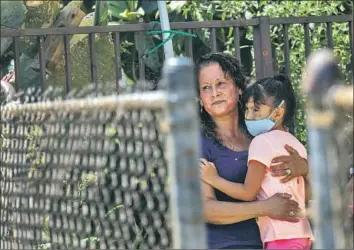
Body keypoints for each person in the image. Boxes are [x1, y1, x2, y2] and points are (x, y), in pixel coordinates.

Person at [196, 53, 310, 249]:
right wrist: (265, 208)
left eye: (221, 83)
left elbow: (302, 193)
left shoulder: (263, 132)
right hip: (223, 244)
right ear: (200, 98)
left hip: (275, 239)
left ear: (239, 87)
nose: (214, 93)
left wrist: (304, 168)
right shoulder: (197, 142)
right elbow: (206, 209)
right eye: (206, 88)